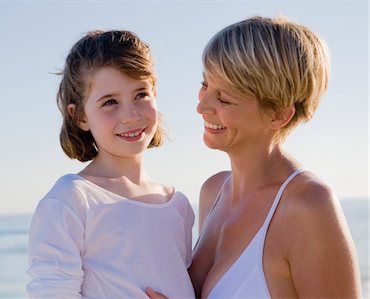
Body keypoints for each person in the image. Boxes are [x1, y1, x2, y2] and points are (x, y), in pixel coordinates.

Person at [148, 15, 361, 299]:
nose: (202, 106)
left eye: (224, 98)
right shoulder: (213, 191)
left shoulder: (308, 207)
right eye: (205, 85)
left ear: (278, 115)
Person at [26, 30, 195, 299]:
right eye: (110, 102)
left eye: (141, 94)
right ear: (80, 115)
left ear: (155, 92)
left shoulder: (178, 205)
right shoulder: (72, 199)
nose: (130, 115)